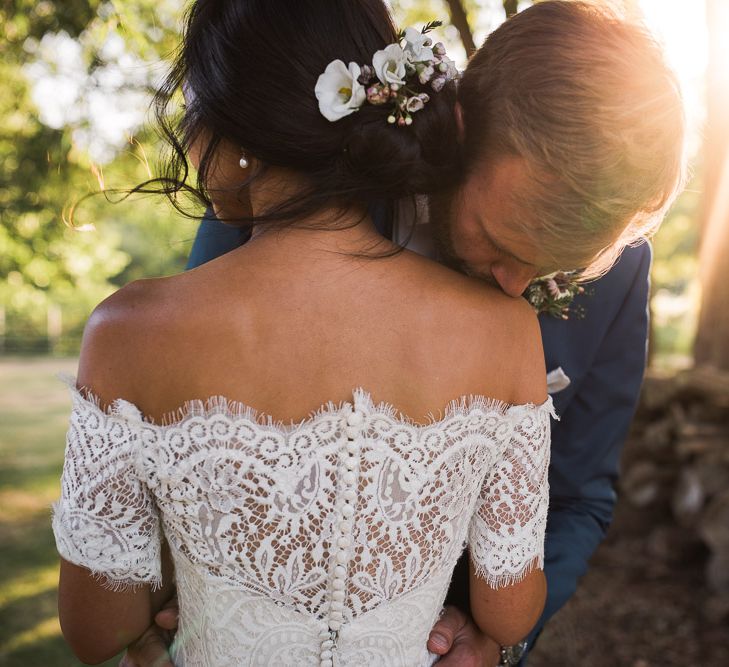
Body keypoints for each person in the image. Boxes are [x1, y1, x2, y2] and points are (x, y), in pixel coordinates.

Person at [121, 2, 686, 666]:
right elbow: (182, 398)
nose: (513, 286)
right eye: (500, 241)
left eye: (550, 267)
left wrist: (495, 641)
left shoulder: (620, 276)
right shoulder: (307, 170)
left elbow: (580, 494)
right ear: (463, 127)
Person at [53, 1, 555, 665]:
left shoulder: (127, 332)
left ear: (235, 136)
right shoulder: (504, 331)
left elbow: (97, 630)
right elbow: (507, 607)